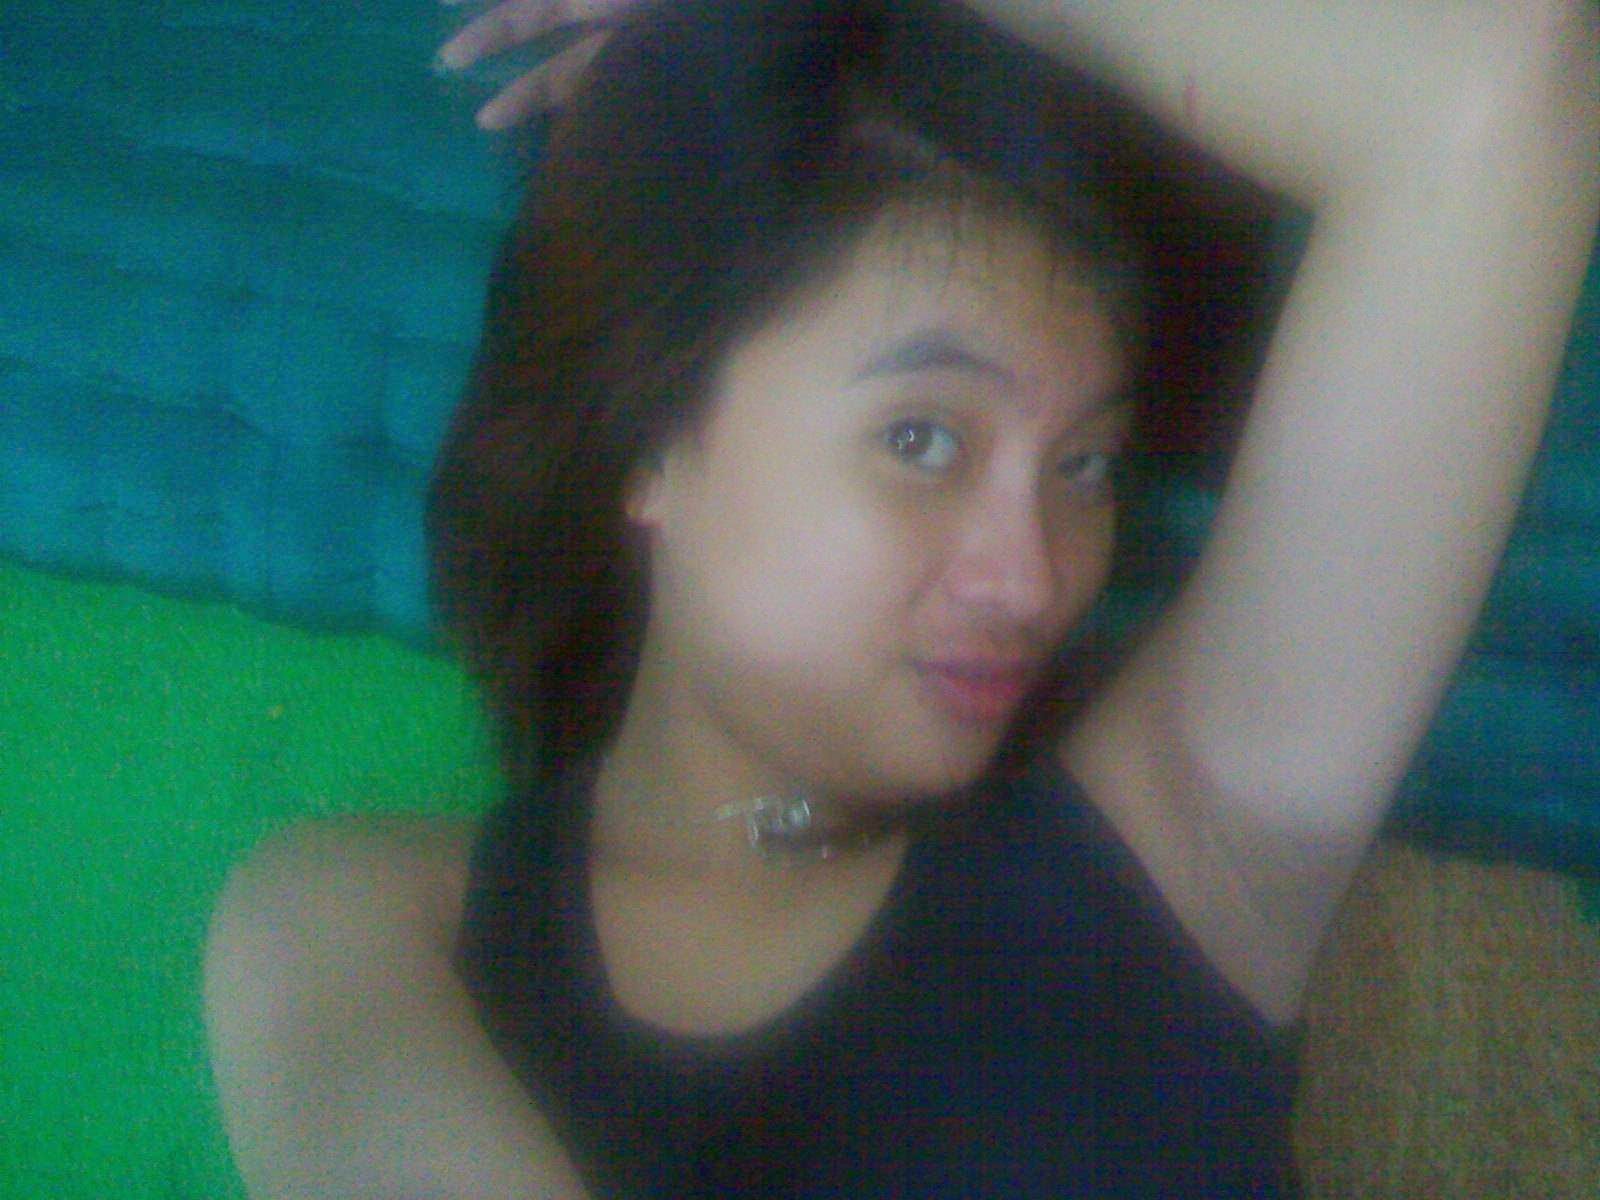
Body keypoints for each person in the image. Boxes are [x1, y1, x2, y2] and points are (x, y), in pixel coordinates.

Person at [201, 1, 1600, 1197]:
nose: (1034, 575)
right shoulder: (366, 926)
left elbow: (1500, 76)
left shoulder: (1182, 850)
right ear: (649, 438)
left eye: (1085, 466)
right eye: (923, 439)